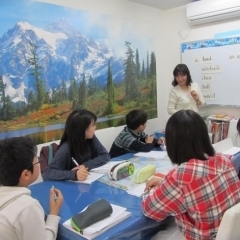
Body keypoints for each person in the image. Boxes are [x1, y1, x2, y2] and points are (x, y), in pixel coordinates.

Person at [142, 110, 240, 240]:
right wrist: (165, 182)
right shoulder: (224, 160)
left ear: (173, 142)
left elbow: (150, 210)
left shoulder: (180, 176)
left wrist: (153, 189)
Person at [0, 137, 63, 240]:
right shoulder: (27, 208)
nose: (39, 162)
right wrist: (54, 214)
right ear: (25, 174)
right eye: (38, 161)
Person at [43, 109, 110, 181]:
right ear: (83, 129)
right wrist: (74, 174)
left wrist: (85, 165)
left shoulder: (91, 138)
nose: (95, 127)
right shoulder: (66, 148)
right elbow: (47, 173)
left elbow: (105, 155)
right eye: (93, 125)